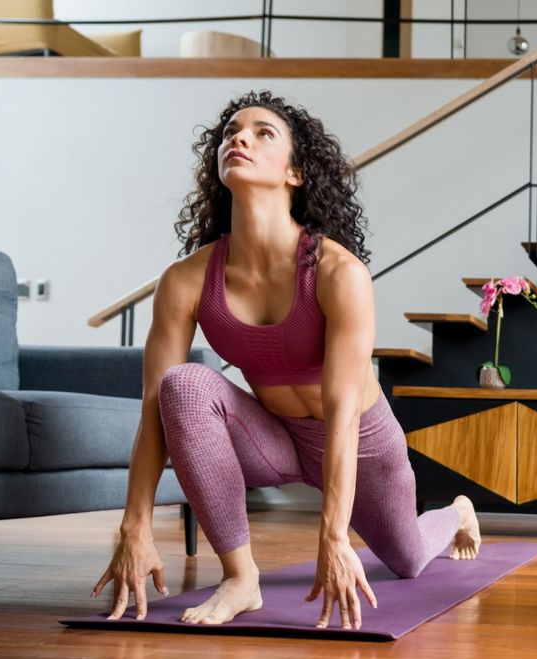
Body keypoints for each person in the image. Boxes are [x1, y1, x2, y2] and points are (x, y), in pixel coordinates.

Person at [93, 90, 481, 630]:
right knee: (181, 386)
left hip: (361, 443)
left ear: (295, 172)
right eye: (231, 131)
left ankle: (455, 512)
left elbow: (344, 414)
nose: (239, 138)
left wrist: (334, 536)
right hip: (275, 437)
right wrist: (133, 527)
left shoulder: (337, 273)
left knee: (409, 559)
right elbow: (154, 411)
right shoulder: (185, 279)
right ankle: (240, 577)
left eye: (262, 132)